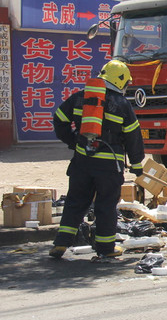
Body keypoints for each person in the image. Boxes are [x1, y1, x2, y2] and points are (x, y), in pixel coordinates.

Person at [49, 60, 145, 261]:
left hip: (82, 162)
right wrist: (137, 165)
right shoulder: (122, 105)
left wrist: (73, 142)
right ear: (120, 82)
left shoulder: (79, 98)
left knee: (75, 201)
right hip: (109, 166)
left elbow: (59, 119)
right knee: (105, 205)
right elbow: (133, 137)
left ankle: (61, 243)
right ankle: (105, 247)